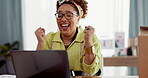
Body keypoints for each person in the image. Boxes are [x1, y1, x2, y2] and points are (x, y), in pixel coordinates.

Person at [35, 0, 101, 76]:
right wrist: (40, 42)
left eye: (69, 15)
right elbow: (39, 68)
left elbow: (90, 70)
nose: (63, 19)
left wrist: (88, 41)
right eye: (59, 15)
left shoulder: (90, 37)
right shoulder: (49, 38)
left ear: (78, 18)